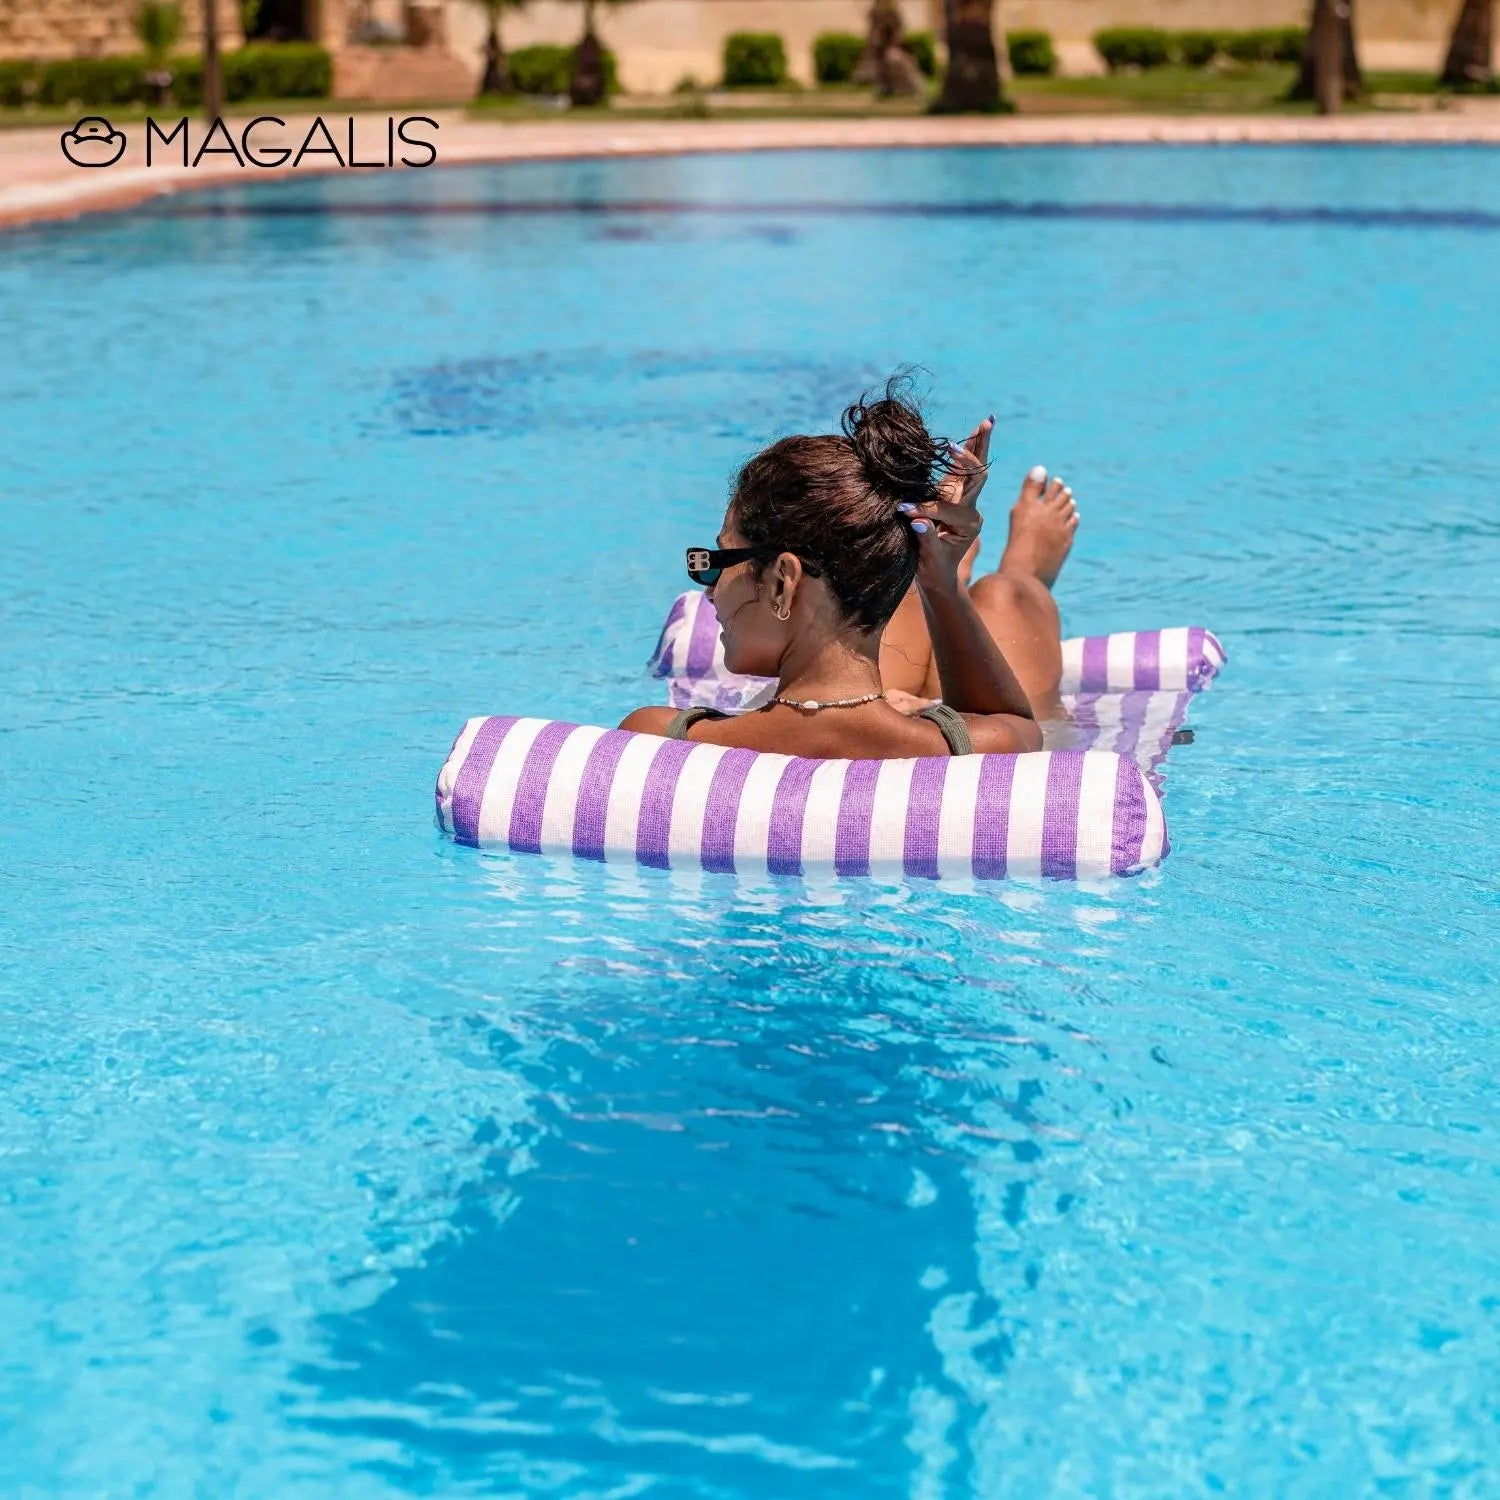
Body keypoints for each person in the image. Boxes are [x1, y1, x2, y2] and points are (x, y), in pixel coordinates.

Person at [619, 380, 1077, 759]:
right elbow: (1014, 725)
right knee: (1005, 597)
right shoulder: (986, 748)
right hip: (897, 713)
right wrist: (938, 581)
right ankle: (1014, 574)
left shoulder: (656, 742)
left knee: (852, 613)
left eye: (720, 561)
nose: (711, 590)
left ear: (782, 582)